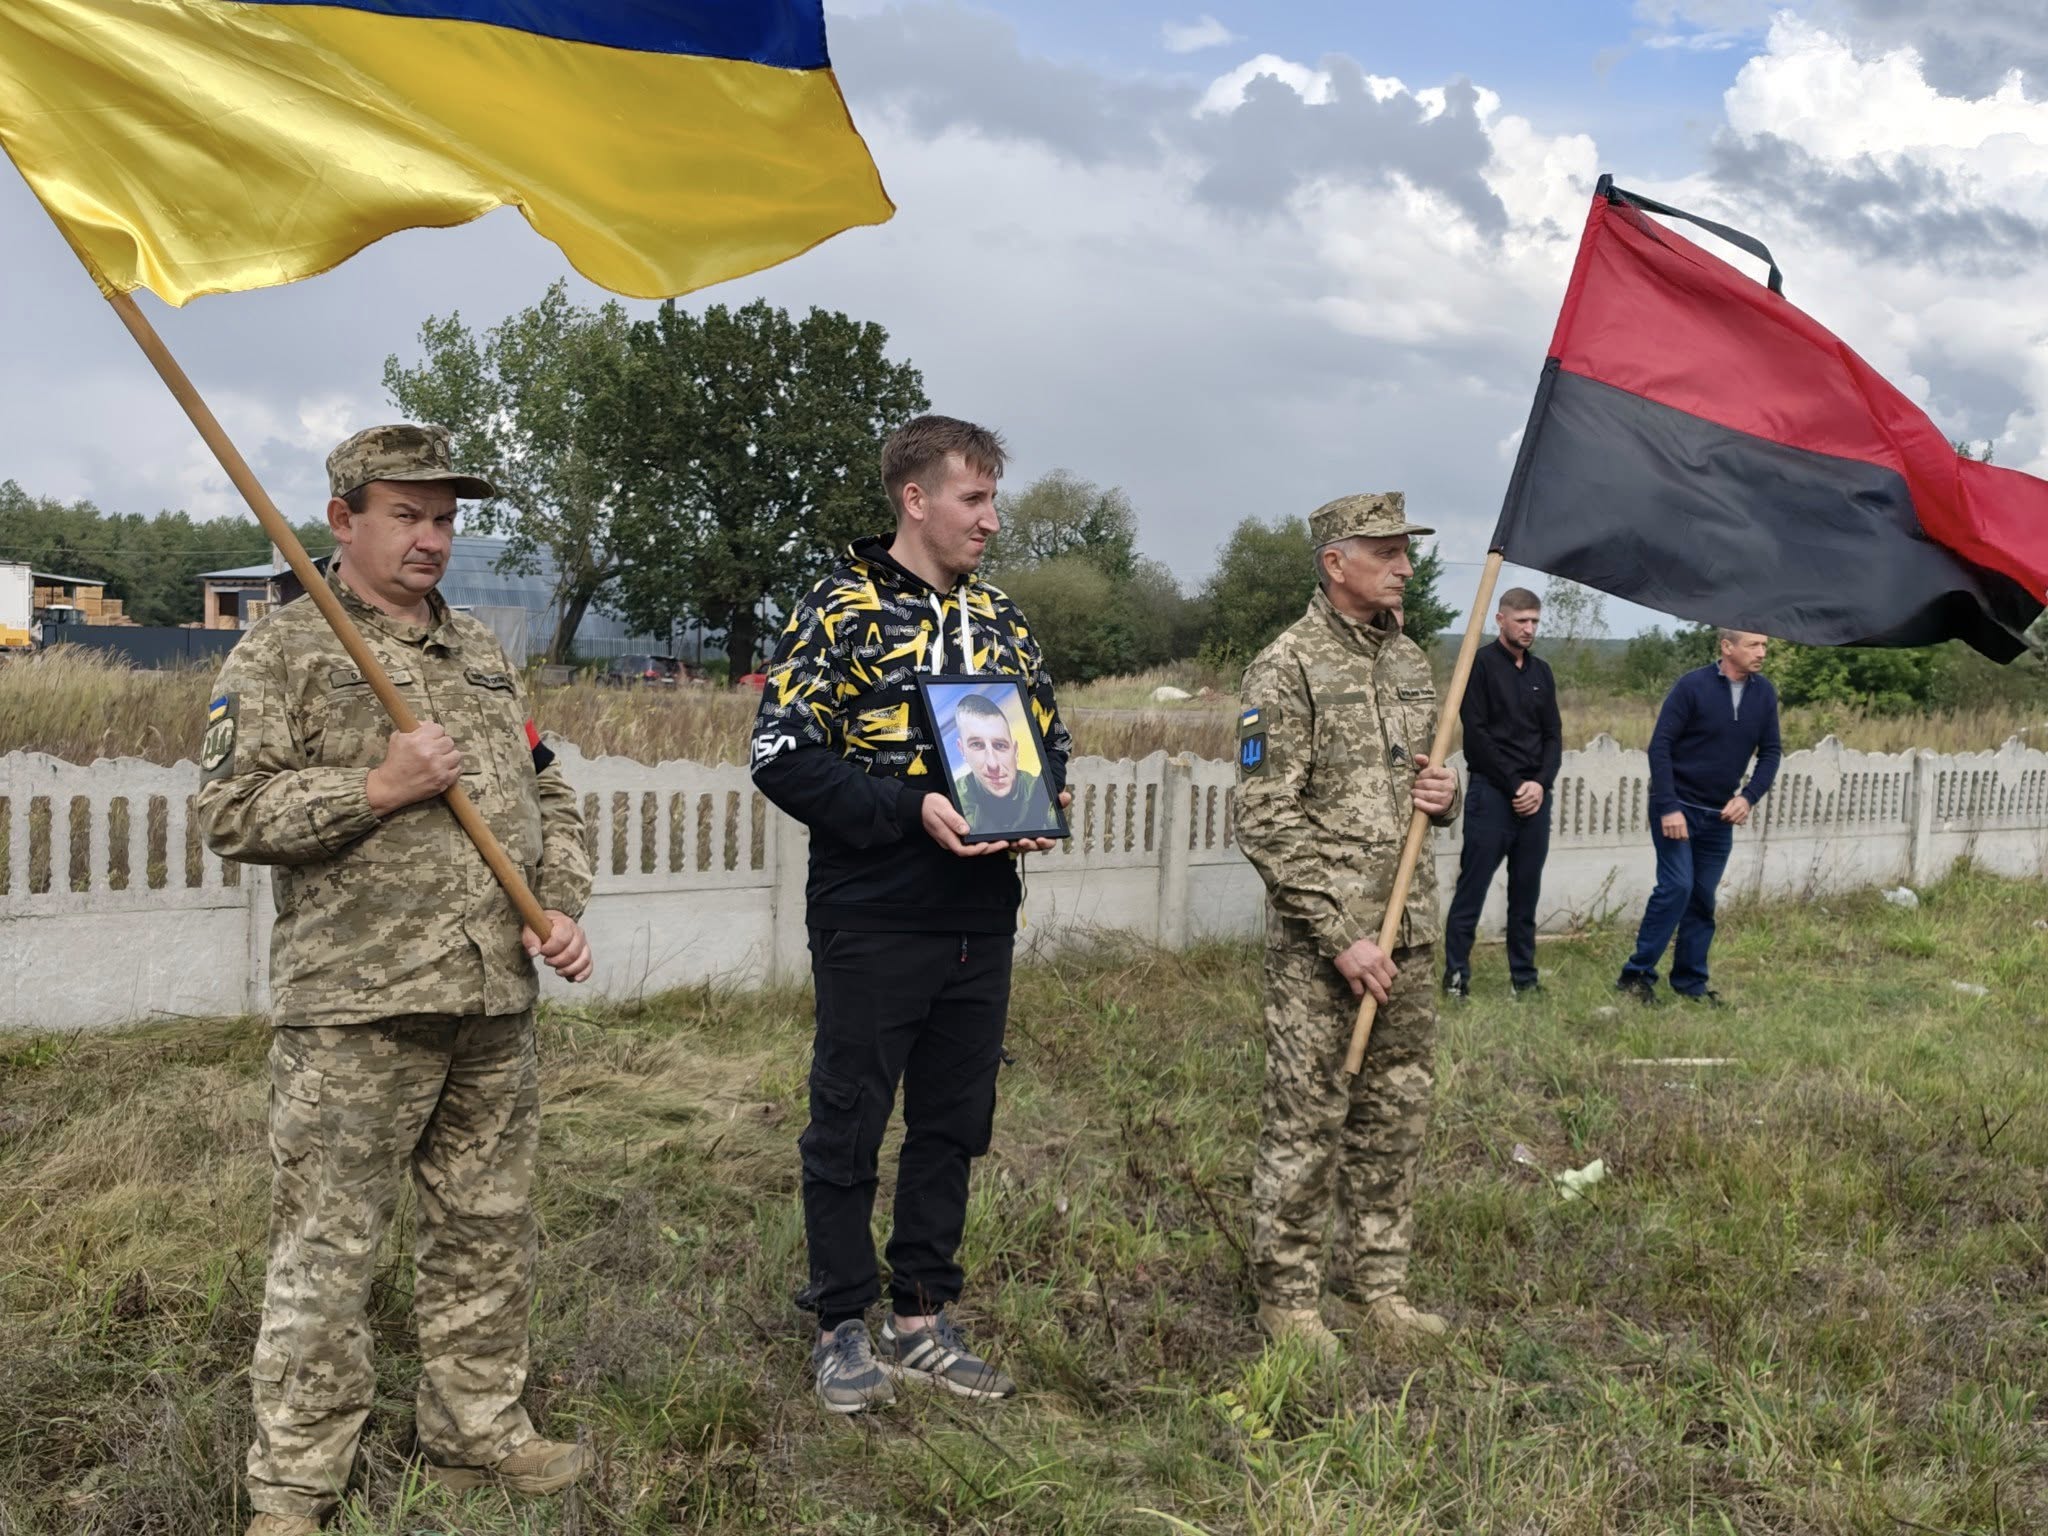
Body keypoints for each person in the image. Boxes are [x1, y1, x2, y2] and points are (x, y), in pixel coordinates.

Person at [196, 424, 596, 1536]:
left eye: (445, 519)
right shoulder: (284, 651)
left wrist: (560, 901)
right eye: (407, 515)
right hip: (357, 1008)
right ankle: (295, 1488)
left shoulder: (479, 652)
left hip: (492, 999)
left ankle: (476, 1435)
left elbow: (545, 788)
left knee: (486, 1230)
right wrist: (375, 787)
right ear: (344, 520)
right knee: (328, 1252)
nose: (431, 539)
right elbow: (229, 814)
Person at [750, 414, 1073, 1414]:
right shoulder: (838, 606)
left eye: (992, 500)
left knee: (952, 1124)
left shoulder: (1001, 617)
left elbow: (1047, 737)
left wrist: (1041, 799)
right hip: (873, 911)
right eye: (973, 500)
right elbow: (782, 755)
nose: (990, 520)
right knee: (848, 1123)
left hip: (980, 913)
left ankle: (922, 1317)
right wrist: (908, 808)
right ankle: (840, 1322)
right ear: (915, 498)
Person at [1233, 491, 1461, 1357]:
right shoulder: (1285, 667)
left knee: (1396, 1116)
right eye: (1388, 551)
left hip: (1410, 931)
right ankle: (1287, 1299)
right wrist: (1341, 938)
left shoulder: (1408, 660)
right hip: (1324, 949)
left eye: (1407, 550)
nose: (1406, 566)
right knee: (1307, 1119)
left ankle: (1377, 1288)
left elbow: (1421, 786)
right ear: (1336, 562)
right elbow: (1265, 819)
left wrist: (1445, 795)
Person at [1616, 628, 1780, 1006]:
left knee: (1702, 897)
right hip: (1678, 807)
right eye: (1753, 645)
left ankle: (1690, 983)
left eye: (1764, 646)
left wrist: (1749, 797)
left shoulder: (1764, 694)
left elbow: (1771, 752)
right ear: (1727, 647)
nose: (1761, 652)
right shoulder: (1692, 686)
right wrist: (1669, 806)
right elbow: (1660, 746)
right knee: (1676, 887)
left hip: (1719, 815)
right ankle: (1635, 976)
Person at [1442, 587, 1561, 998]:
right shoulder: (1479, 666)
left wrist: (1539, 784)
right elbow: (1476, 737)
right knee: (1472, 889)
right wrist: (1515, 785)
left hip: (1535, 799)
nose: (1529, 628)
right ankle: (1456, 978)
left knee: (1525, 893)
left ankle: (1524, 981)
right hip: (1492, 794)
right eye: (1522, 620)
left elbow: (1553, 735)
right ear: (1501, 620)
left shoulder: (1541, 672)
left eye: (1535, 621)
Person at [950, 690, 1047, 836]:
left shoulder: (1038, 791)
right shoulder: (953, 798)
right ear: (962, 750)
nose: (993, 764)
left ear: (1015, 751)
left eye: (1000, 745)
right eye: (977, 745)